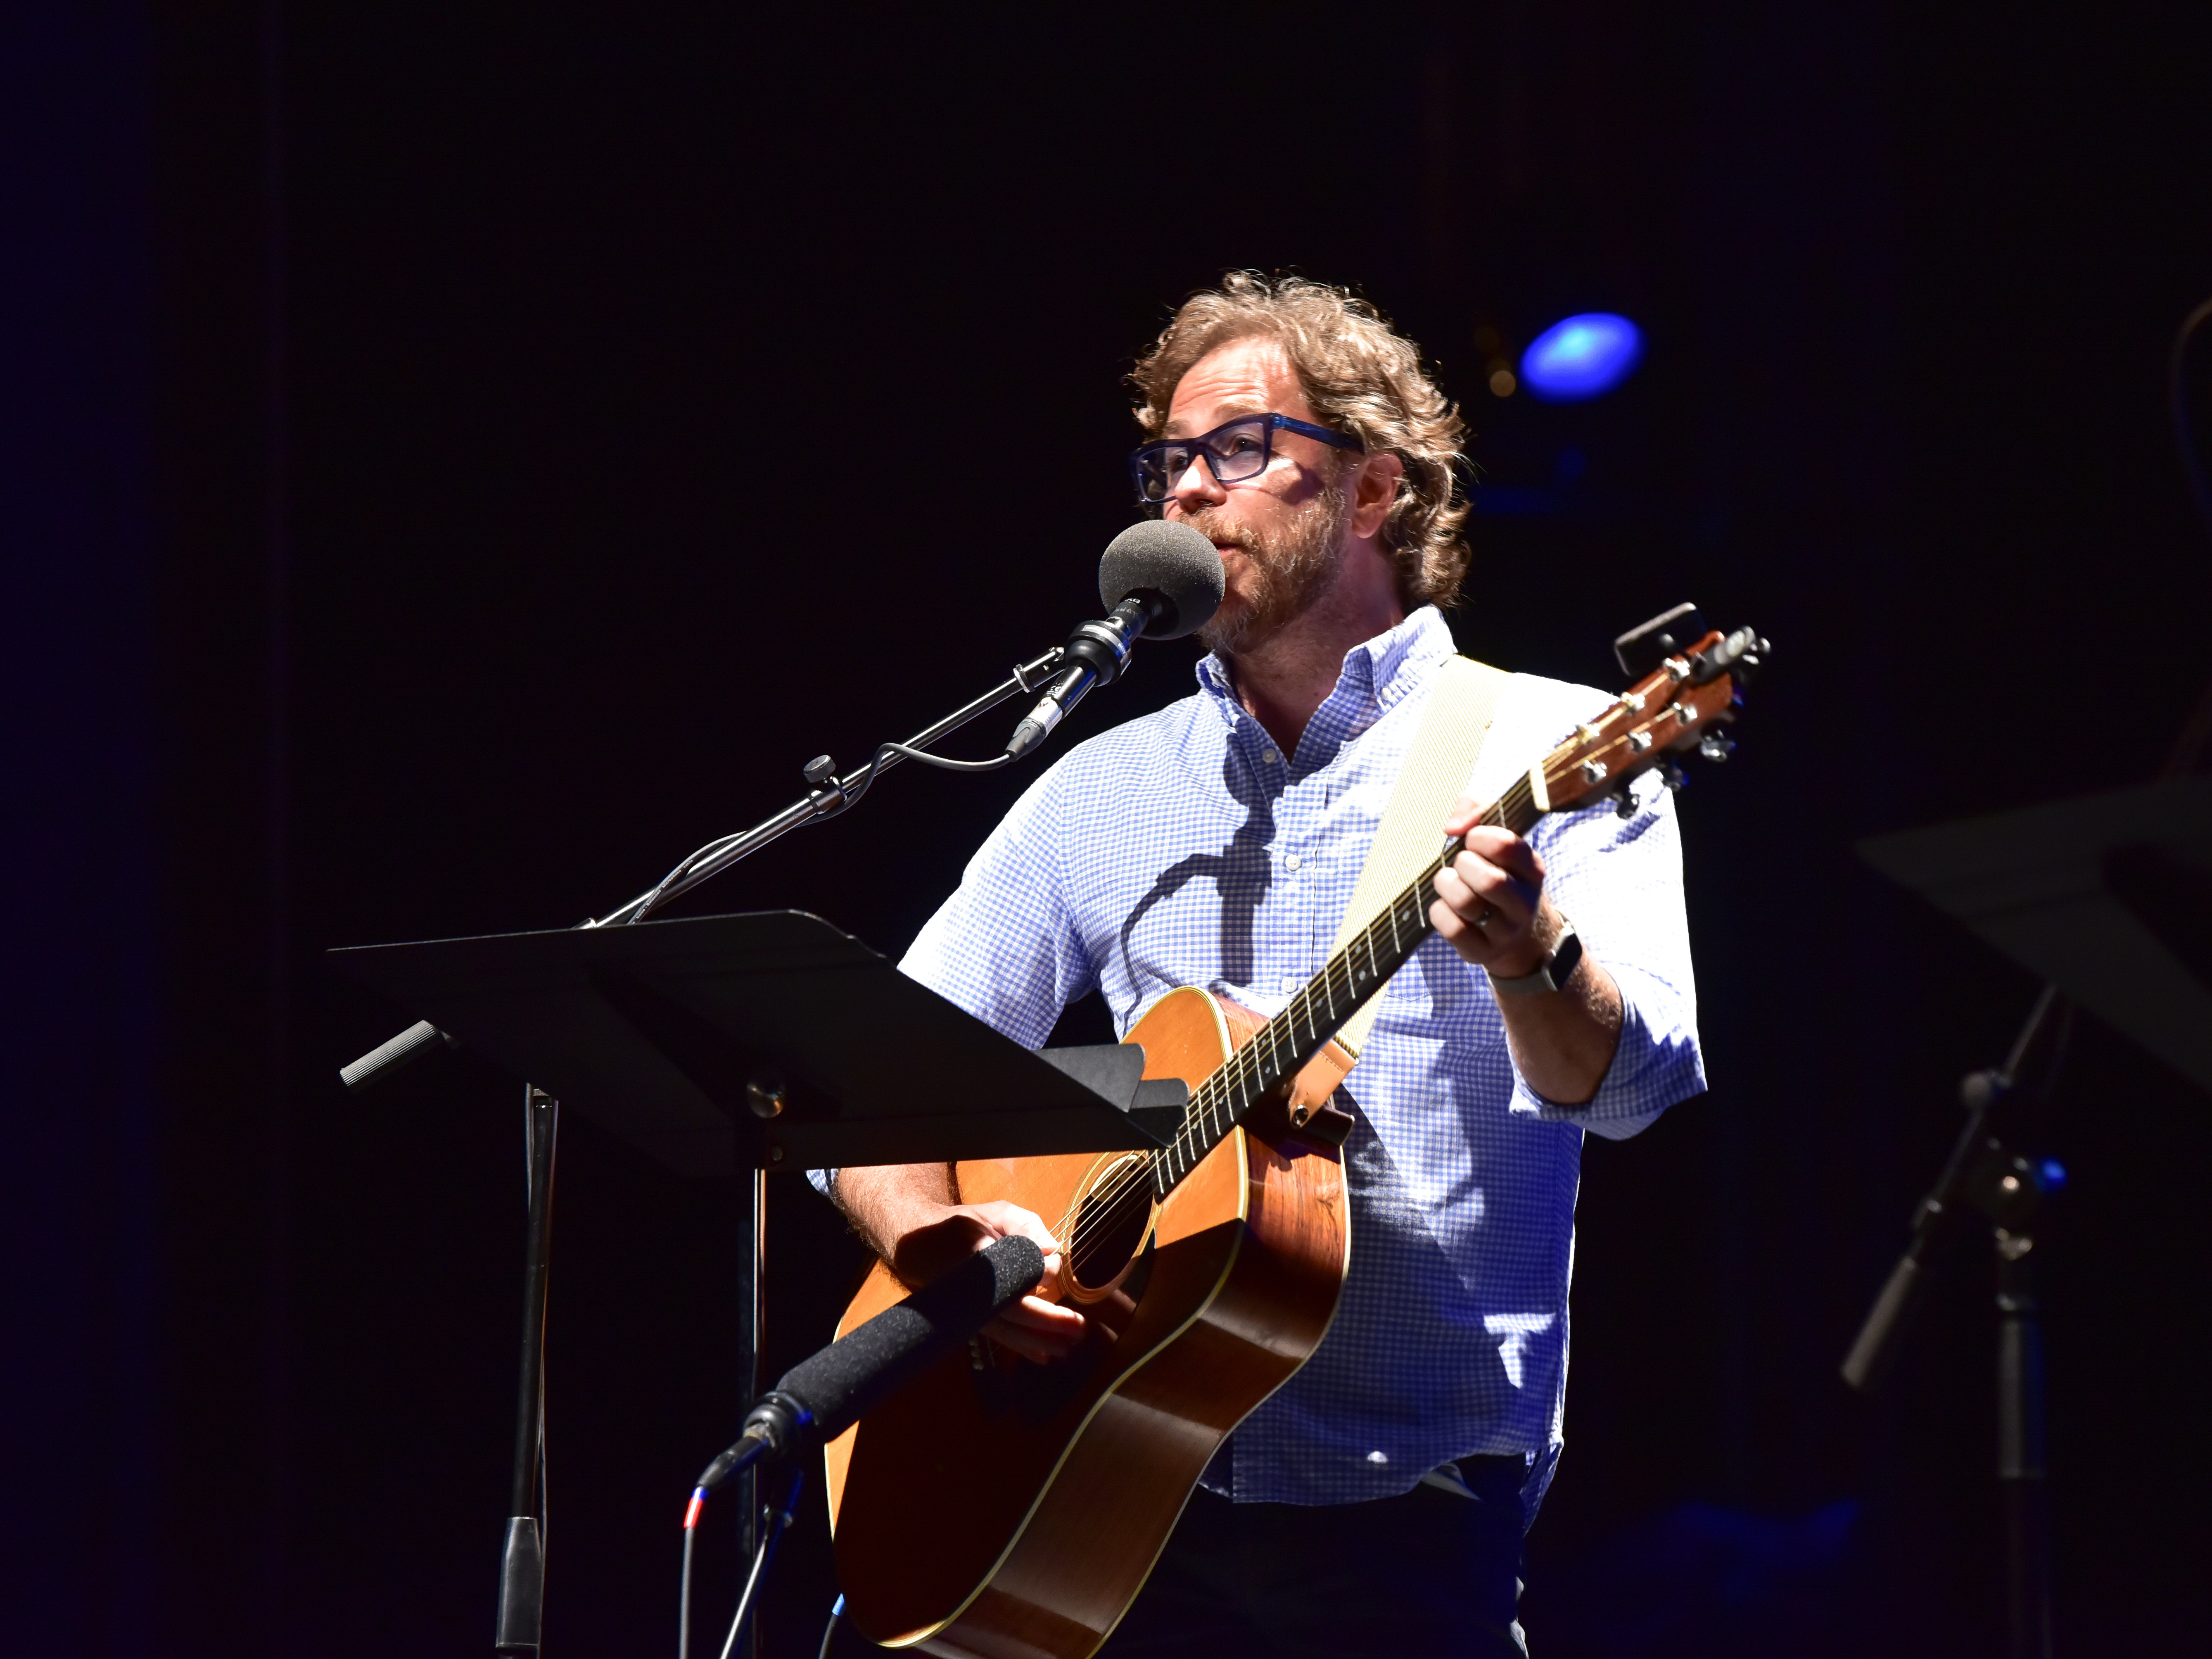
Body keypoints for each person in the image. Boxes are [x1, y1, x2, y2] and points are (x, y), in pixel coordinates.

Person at [816, 273, 1705, 1656]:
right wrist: (941, 1253)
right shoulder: (1099, 790)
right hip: (1090, 1481)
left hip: (1401, 1523)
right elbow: (870, 1080)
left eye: (1236, 449)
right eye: (1167, 460)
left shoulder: (1546, 747)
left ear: (1372, 492)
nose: (1181, 494)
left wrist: (1530, 957)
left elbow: (1637, 1086)